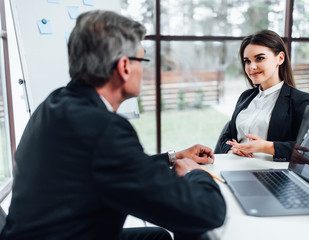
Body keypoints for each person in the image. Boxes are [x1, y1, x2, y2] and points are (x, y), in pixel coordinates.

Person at [0, 10, 226, 240]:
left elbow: (107, 165)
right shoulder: (102, 128)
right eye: (142, 60)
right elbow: (206, 212)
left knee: (157, 236)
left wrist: (172, 157)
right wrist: (195, 175)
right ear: (125, 66)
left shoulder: (55, 104)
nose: (144, 69)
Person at [218, 30, 309, 161]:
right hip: (234, 165)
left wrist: (265, 147)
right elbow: (226, 136)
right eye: (247, 61)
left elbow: (306, 149)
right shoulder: (246, 97)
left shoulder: (300, 100)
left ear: (280, 58)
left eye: (259, 58)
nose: (252, 67)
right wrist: (231, 150)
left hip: (271, 173)